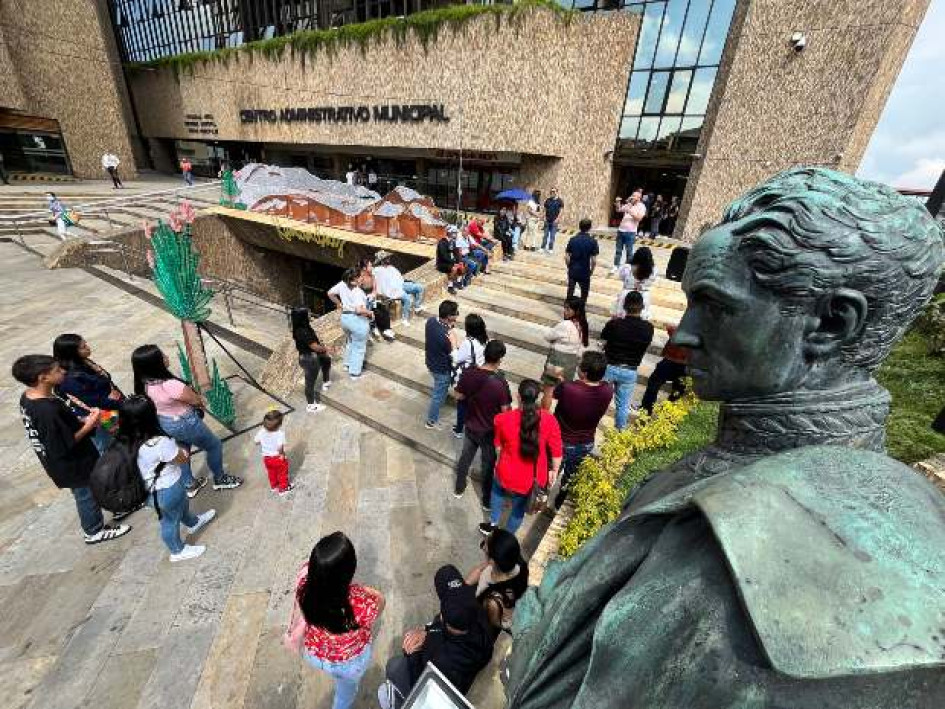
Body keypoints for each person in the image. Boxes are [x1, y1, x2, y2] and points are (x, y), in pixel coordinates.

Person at [504, 168, 945, 709]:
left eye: (714, 304)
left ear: (831, 323)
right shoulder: (746, 462)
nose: (684, 334)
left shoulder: (742, 584)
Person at [13, 355, 131, 544]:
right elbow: (63, 443)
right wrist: (90, 423)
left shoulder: (31, 397)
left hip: (70, 458)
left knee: (94, 487)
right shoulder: (46, 410)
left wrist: (80, 421)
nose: (63, 372)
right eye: (57, 371)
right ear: (43, 378)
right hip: (72, 463)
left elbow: (59, 429)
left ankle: (115, 507)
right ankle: (93, 530)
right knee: (86, 495)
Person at [285, 532, 385, 709]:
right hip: (349, 663)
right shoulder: (362, 603)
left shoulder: (303, 586)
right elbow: (380, 605)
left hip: (316, 653)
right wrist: (369, 591)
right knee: (345, 694)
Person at [131, 344, 243, 495]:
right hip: (185, 421)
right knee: (214, 445)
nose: (167, 357)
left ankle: (189, 484)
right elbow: (196, 400)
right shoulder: (170, 385)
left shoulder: (143, 385)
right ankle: (220, 478)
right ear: (155, 364)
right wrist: (199, 398)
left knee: (182, 450)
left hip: (166, 421)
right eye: (163, 356)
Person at [379, 564, 494, 709]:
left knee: (393, 666)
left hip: (440, 688)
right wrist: (429, 630)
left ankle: (397, 702)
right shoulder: (480, 616)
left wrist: (413, 653)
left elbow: (421, 682)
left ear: (443, 618)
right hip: (466, 668)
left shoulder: (438, 654)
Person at [121, 395, 216, 561]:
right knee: (170, 521)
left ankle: (193, 523)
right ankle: (177, 551)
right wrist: (182, 447)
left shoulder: (125, 440)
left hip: (151, 490)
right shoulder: (157, 443)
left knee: (180, 507)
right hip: (166, 489)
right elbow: (182, 459)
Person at [482, 379, 562, 536]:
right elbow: (557, 451)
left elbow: (498, 446)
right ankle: (506, 536)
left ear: (518, 396)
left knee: (497, 493)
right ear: (538, 397)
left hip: (505, 470)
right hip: (532, 478)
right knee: (518, 509)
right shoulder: (549, 420)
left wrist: (499, 461)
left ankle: (493, 523)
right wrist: (553, 470)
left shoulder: (501, 419)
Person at [454, 340, 512, 505]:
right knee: (487, 466)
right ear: (500, 359)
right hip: (489, 432)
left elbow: (458, 395)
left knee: (465, 457)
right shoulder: (500, 383)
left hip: (471, 425)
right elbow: (505, 411)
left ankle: (459, 487)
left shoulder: (469, 373)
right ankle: (486, 500)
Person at [551, 351, 613, 508]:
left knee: (551, 472)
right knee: (571, 478)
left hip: (561, 441)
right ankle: (559, 502)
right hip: (585, 442)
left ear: (584, 373)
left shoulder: (568, 388)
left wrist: (558, 379)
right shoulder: (608, 390)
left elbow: (557, 393)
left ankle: (539, 499)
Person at [53, 333, 124, 454]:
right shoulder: (70, 378)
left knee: (119, 439)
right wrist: (121, 403)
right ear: (71, 353)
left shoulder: (84, 362)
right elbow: (93, 401)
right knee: (107, 447)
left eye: (85, 343)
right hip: (99, 415)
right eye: (82, 347)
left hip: (109, 407)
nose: (87, 347)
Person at [601, 291, 654, 430]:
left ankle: (589, 426)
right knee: (623, 405)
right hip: (630, 370)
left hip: (610, 367)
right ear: (642, 307)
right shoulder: (648, 328)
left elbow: (603, 340)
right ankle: (619, 433)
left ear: (624, 306)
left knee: (598, 399)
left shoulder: (614, 324)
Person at [465, 529, 529, 636]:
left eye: (484, 547)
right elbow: (484, 567)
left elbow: (493, 623)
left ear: (492, 561)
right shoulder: (517, 563)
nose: (483, 545)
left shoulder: (492, 601)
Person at [540, 296, 589, 410]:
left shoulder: (565, 324)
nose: (565, 311)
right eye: (565, 308)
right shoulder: (582, 325)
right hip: (571, 361)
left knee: (548, 390)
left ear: (576, 311)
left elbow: (548, 336)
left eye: (568, 309)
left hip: (557, 359)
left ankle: (545, 416)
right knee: (563, 391)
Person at [327, 268, 373, 379]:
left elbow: (330, 293)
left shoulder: (342, 284)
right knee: (359, 347)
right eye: (360, 276)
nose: (362, 278)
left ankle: (347, 364)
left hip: (345, 319)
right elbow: (358, 310)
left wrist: (339, 303)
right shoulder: (358, 291)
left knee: (350, 342)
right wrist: (370, 313)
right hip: (356, 320)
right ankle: (354, 373)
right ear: (354, 280)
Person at [451, 313, 489, 438]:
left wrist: (454, 344)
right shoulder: (483, 340)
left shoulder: (468, 343)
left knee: (462, 402)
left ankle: (459, 429)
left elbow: (457, 358)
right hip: (479, 374)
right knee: (471, 402)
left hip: (468, 376)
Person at [424, 300, 459, 430]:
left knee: (439, 391)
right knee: (438, 395)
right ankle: (431, 420)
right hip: (442, 369)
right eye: (456, 313)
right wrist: (454, 341)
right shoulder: (446, 336)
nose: (457, 316)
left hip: (431, 362)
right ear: (450, 316)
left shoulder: (431, 321)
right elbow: (455, 357)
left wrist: (449, 328)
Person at [640, 324, 688, 415]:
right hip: (686, 366)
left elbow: (671, 329)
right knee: (677, 391)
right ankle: (667, 413)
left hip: (671, 361)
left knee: (654, 384)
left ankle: (646, 409)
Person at [291, 307, 330, 414]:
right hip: (310, 359)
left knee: (326, 360)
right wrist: (326, 348)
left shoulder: (299, 328)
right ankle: (311, 405)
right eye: (307, 314)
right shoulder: (303, 331)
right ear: (302, 317)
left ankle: (326, 381)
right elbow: (315, 347)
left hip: (307, 357)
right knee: (310, 383)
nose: (309, 315)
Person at [372, 252, 425, 323]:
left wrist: (408, 282)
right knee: (407, 298)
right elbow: (375, 279)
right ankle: (404, 318)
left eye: (388, 257)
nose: (388, 259)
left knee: (419, 287)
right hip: (393, 290)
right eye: (386, 258)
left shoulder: (392, 268)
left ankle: (417, 306)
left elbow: (400, 278)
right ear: (382, 260)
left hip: (401, 285)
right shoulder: (378, 270)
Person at [613, 246, 658, 320]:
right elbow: (653, 280)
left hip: (627, 294)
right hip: (644, 295)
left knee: (622, 317)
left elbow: (621, 277)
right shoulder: (654, 270)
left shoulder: (627, 268)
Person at [254, 409, 292, 495]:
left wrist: (264, 440)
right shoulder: (280, 434)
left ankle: (274, 486)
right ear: (279, 425)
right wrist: (282, 455)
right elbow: (280, 447)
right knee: (282, 473)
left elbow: (256, 441)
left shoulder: (262, 431)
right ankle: (283, 488)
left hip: (267, 459)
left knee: (271, 473)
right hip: (277, 458)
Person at [357, 257, 394, 341]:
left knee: (384, 309)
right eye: (370, 266)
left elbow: (375, 288)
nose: (372, 268)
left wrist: (373, 294)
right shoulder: (360, 278)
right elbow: (357, 292)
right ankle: (374, 328)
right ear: (364, 268)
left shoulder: (372, 275)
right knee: (375, 311)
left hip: (373, 299)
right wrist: (366, 298)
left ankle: (387, 329)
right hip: (364, 301)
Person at [564, 217, 599, 305]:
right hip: (584, 271)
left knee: (570, 291)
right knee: (584, 293)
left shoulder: (573, 240)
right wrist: (592, 271)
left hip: (573, 269)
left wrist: (569, 266)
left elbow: (567, 256)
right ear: (590, 227)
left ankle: (568, 310)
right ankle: (581, 310)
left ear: (579, 227)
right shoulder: (593, 241)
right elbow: (594, 260)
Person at [612, 191, 646, 272]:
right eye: (632, 195)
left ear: (639, 198)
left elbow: (639, 218)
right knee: (618, 250)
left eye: (634, 196)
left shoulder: (641, 206)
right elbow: (618, 210)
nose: (632, 197)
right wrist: (617, 202)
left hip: (630, 232)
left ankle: (627, 267)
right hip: (621, 230)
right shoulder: (629, 204)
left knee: (629, 251)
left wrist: (630, 211)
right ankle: (616, 265)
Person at [436, 227, 466, 295]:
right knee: (454, 269)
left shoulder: (452, 242)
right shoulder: (442, 242)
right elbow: (443, 256)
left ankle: (458, 282)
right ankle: (450, 286)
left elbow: (457, 253)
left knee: (462, 266)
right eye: (454, 233)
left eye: (455, 233)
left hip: (450, 262)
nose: (455, 234)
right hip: (442, 263)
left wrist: (459, 262)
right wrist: (454, 263)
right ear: (449, 233)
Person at [541, 187, 565, 254]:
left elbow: (561, 211)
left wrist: (558, 219)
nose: (552, 193)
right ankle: (542, 247)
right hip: (547, 220)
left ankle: (550, 248)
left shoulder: (560, 201)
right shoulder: (548, 200)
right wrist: (543, 217)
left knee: (552, 236)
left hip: (554, 221)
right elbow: (544, 209)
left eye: (554, 191)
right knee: (545, 235)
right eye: (551, 191)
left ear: (557, 192)